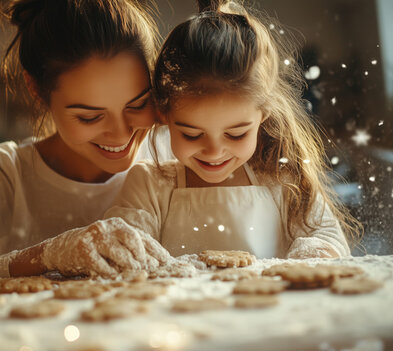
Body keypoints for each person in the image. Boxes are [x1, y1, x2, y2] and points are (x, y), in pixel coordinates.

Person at [0, 0, 173, 283]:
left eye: (138, 105)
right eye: (90, 117)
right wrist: (47, 255)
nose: (121, 133)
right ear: (36, 89)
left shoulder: (173, 156)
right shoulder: (6, 172)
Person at [103, 0, 363, 259]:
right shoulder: (149, 186)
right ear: (164, 116)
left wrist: (316, 254)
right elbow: (123, 246)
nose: (214, 152)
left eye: (236, 134)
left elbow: (327, 237)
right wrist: (124, 249)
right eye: (191, 134)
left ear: (263, 114)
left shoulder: (284, 180)